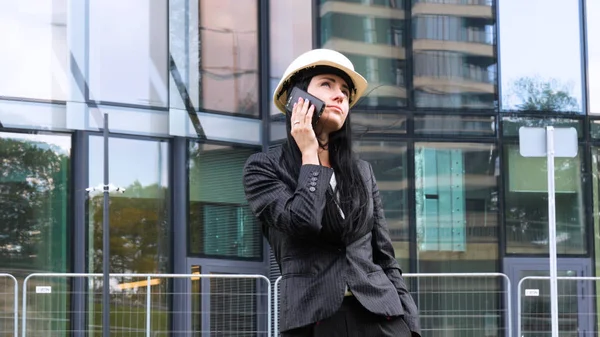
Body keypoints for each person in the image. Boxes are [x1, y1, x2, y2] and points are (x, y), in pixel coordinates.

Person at [243, 49, 421, 337]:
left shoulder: (362, 171)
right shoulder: (263, 168)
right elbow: (303, 221)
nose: (340, 96)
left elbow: (385, 256)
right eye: (327, 84)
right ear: (297, 98)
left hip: (383, 318)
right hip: (313, 318)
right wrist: (309, 154)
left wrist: (411, 325)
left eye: (345, 91)